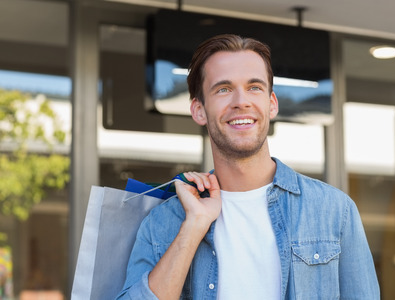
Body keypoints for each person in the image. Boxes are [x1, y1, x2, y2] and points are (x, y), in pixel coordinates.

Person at [116, 34, 380, 299]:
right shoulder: (164, 221)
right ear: (199, 110)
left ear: (271, 104)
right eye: (223, 89)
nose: (241, 101)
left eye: (254, 87)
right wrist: (194, 225)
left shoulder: (334, 210)